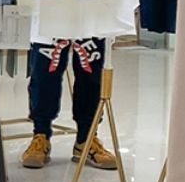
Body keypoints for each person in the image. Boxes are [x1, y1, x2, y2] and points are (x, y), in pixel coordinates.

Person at [20, 37, 118, 170]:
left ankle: (86, 139)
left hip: (89, 23)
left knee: (91, 71)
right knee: (44, 70)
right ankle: (40, 135)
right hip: (50, 24)